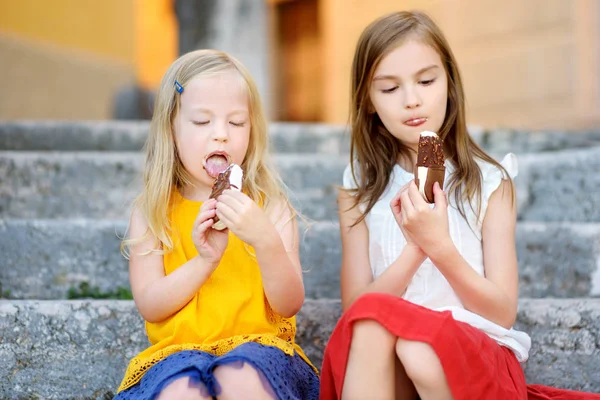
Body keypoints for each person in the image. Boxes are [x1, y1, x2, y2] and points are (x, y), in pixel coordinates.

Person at [319, 11, 600, 400]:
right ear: (367, 101)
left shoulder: (489, 182)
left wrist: (440, 247)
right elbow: (357, 308)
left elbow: (501, 312)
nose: (412, 100)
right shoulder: (359, 187)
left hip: (471, 351)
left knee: (418, 347)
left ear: (449, 83)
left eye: (426, 80)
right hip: (386, 356)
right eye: (389, 89)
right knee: (373, 328)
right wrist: (415, 250)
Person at [115, 49, 319, 400]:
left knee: (240, 380)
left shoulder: (269, 207)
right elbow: (150, 303)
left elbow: (288, 303)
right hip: (176, 354)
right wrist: (205, 260)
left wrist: (265, 241)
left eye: (236, 122)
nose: (221, 135)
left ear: (251, 130)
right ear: (172, 129)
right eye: (202, 122)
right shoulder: (152, 212)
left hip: (260, 348)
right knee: (181, 392)